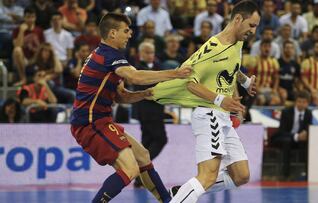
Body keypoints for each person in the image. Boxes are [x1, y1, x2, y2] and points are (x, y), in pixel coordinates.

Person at [69, 13, 192, 203]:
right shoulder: (108, 56)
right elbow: (135, 77)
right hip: (90, 123)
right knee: (130, 169)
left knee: (142, 155)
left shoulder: (105, 56)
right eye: (126, 31)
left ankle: (167, 201)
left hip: (100, 121)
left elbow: (121, 96)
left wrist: (145, 94)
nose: (130, 34)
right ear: (112, 33)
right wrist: (175, 74)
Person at [152, 1, 259, 202]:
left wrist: (244, 81)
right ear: (238, 19)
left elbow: (231, 67)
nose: (253, 31)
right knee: (207, 175)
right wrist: (221, 100)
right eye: (251, 25)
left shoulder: (238, 41)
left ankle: (182, 193)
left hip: (223, 117)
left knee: (241, 175)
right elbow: (189, 83)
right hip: (209, 113)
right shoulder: (213, 47)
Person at [133, 42, 168, 187]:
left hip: (156, 109)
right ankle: (139, 169)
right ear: (141, 54)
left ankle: (139, 178)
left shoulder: (158, 68)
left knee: (146, 143)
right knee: (160, 140)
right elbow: (147, 89)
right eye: (147, 52)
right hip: (147, 111)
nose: (150, 55)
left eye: (152, 52)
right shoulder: (137, 69)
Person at [271, 91, 312, 180]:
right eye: (299, 101)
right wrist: (296, 136)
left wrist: (305, 134)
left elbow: (308, 128)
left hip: (299, 140)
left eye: (304, 102)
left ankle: (308, 173)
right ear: (295, 102)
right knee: (287, 142)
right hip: (283, 138)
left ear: (307, 103)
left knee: (309, 144)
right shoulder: (286, 112)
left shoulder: (309, 113)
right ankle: (285, 175)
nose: (301, 104)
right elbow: (282, 131)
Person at [12, 7, 45, 86]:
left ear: (35, 18)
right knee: (17, 50)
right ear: (24, 18)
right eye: (28, 17)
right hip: (21, 59)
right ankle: (23, 78)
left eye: (32, 17)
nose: (30, 20)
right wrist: (21, 31)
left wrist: (33, 59)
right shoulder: (17, 30)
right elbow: (17, 46)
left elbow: (41, 48)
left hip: (35, 58)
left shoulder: (39, 31)